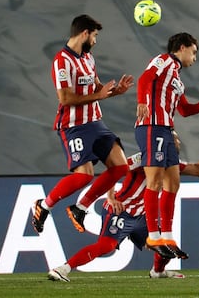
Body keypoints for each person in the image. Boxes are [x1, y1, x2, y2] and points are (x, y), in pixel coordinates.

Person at [47, 130, 199, 282]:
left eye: (176, 139)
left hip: (141, 217)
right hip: (121, 210)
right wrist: (111, 198)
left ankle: (157, 272)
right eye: (172, 138)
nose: (175, 142)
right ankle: (64, 268)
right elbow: (114, 172)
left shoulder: (173, 165)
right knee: (106, 246)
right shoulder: (142, 159)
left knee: (165, 245)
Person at [32, 14, 134, 233]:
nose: (95, 41)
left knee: (120, 167)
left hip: (95, 122)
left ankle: (80, 207)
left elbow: (97, 88)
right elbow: (65, 98)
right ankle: (44, 205)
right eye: (94, 36)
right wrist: (101, 96)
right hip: (73, 126)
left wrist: (116, 92)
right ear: (85, 33)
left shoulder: (88, 59)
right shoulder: (62, 60)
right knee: (84, 175)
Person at [135, 32, 199, 258]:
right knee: (154, 181)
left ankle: (168, 237)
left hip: (166, 130)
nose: (195, 57)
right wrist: (142, 100)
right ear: (182, 47)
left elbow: (184, 110)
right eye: (193, 52)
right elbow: (144, 79)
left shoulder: (177, 80)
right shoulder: (163, 60)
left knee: (173, 183)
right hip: (152, 126)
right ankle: (153, 236)